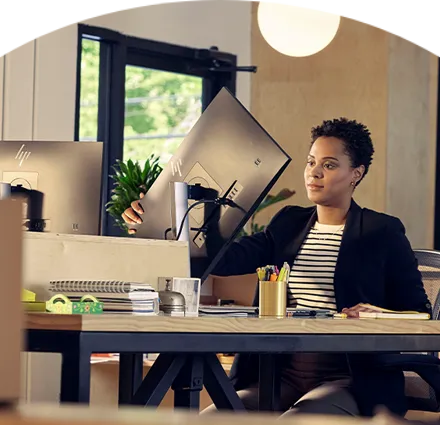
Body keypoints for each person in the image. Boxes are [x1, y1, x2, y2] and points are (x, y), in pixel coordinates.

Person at [121, 117, 432, 418]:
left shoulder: (382, 231)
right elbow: (225, 261)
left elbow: (421, 311)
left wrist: (378, 314)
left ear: (356, 173)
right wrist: (155, 224)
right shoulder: (289, 222)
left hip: (347, 379)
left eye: (329, 165)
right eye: (311, 162)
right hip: (278, 376)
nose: (314, 172)